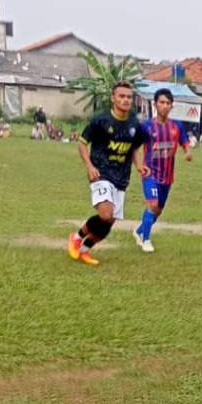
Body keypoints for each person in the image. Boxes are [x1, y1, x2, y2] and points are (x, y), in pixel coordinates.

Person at [66, 82, 149, 266]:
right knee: (105, 214)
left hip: (121, 177)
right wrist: (89, 166)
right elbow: (82, 143)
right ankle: (76, 237)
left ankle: (84, 250)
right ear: (113, 99)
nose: (126, 100)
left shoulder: (135, 123)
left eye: (129, 97)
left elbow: (135, 147)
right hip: (100, 172)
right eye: (121, 96)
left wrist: (139, 165)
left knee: (110, 221)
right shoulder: (101, 120)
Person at [134, 89, 193, 253]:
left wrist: (188, 152)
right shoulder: (146, 126)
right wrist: (140, 166)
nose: (164, 106)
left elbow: (185, 142)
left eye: (168, 103)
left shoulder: (177, 126)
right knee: (152, 205)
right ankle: (146, 240)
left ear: (171, 106)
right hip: (150, 173)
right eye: (161, 102)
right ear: (155, 104)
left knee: (158, 211)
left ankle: (139, 231)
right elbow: (134, 148)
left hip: (167, 176)